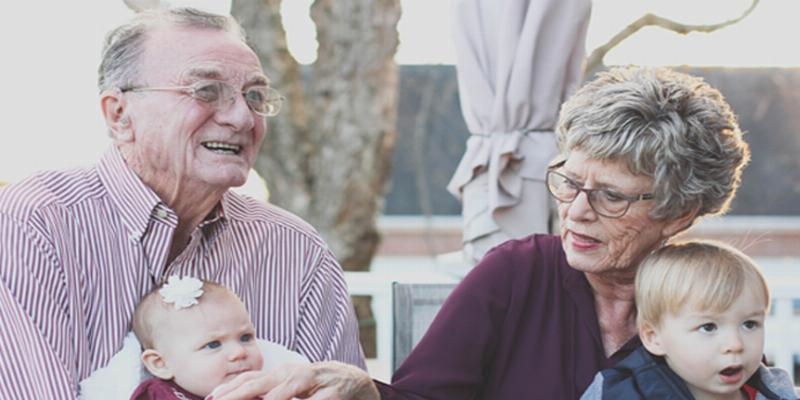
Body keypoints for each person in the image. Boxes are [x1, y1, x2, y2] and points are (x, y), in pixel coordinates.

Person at [206, 65, 754, 400]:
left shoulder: (711, 298)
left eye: (610, 195)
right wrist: (366, 393)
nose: (576, 212)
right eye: (568, 181)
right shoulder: (516, 273)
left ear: (681, 212)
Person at [0, 7, 364, 398]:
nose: (242, 117)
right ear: (119, 114)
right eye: (206, 90)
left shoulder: (296, 249)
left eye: (255, 96)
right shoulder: (36, 222)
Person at [581, 240, 797, 400]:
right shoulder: (619, 393)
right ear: (654, 337)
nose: (735, 344)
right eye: (708, 327)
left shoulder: (775, 392)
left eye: (749, 324)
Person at [130, 276, 264, 399]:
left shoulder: (266, 389)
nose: (239, 352)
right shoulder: (157, 395)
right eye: (213, 344)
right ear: (161, 364)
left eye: (245, 337)